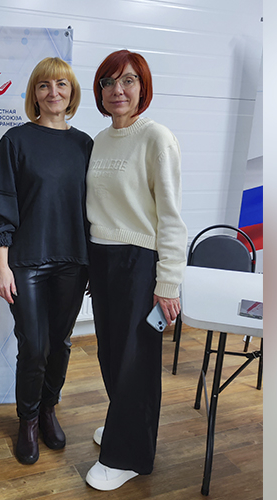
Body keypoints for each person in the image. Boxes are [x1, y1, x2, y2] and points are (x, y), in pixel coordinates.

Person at [0, 57, 93, 465]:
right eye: (44, 85)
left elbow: (94, 208)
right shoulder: (16, 141)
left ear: (72, 92)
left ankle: (48, 409)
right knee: (34, 345)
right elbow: (0, 205)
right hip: (25, 262)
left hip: (73, 261)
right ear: (34, 94)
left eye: (61, 84)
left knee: (60, 343)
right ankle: (26, 420)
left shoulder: (85, 145)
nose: (53, 92)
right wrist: (1, 265)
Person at [85, 50, 188, 490]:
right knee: (111, 354)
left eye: (128, 80)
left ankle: (128, 456)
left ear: (142, 87)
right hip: (102, 258)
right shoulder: (100, 139)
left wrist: (168, 281)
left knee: (135, 361)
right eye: (108, 82)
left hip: (138, 261)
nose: (118, 90)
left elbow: (171, 217)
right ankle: (125, 424)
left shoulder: (156, 138)